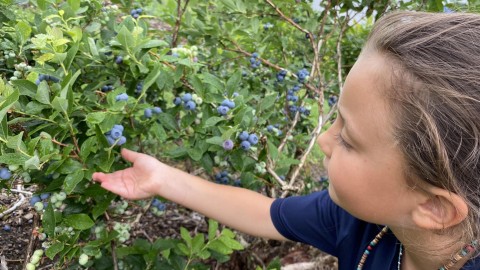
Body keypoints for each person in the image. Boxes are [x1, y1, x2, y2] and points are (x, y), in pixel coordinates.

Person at [92, 11, 480, 270]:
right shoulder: (365, 223)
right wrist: (162, 179)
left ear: (434, 207)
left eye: (348, 140)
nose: (325, 141)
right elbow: (267, 214)